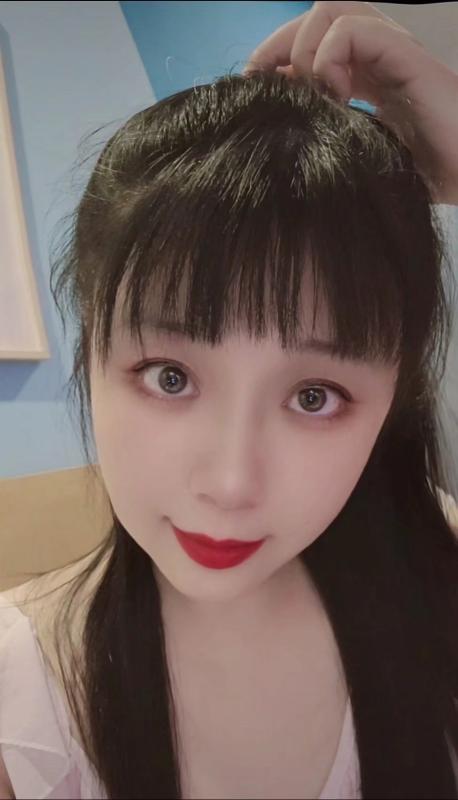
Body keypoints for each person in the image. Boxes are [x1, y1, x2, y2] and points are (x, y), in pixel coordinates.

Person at [1, 2, 458, 798]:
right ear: (92, 355)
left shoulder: (438, 569)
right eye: (170, 377)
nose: (230, 484)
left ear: (395, 399)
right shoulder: (24, 693)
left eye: (313, 395)